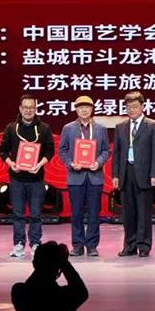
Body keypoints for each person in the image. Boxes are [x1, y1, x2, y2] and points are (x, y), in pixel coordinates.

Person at [0, 94, 55, 258]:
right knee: (18, 214)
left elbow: (50, 151)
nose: (28, 110)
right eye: (25, 107)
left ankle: (36, 244)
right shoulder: (11, 128)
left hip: (37, 179)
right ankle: (19, 244)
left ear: (35, 109)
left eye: (31, 107)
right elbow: (3, 151)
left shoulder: (44, 128)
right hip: (16, 179)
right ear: (20, 109)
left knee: (36, 214)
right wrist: (11, 163)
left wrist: (39, 164)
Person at [111, 91, 155, 257]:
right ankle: (130, 245)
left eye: (135, 106)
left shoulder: (153, 126)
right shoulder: (121, 127)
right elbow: (117, 153)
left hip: (145, 174)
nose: (132, 110)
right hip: (126, 173)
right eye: (128, 107)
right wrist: (115, 175)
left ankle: (144, 245)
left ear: (142, 106)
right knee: (128, 213)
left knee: (143, 212)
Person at [58, 95, 110, 257]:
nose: (84, 110)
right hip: (75, 177)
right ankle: (78, 245)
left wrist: (99, 162)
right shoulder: (68, 128)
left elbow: (106, 150)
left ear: (92, 109)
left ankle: (92, 245)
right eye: (81, 107)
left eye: (87, 107)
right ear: (76, 109)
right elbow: (62, 150)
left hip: (95, 177)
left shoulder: (101, 129)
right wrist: (71, 163)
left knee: (94, 213)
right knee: (76, 213)